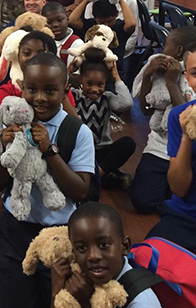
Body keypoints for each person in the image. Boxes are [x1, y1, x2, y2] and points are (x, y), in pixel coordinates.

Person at [0, 52, 95, 308]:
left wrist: (49, 150)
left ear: (65, 90)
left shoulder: (77, 132)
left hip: (59, 233)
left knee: (56, 297)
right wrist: (5, 149)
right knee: (13, 297)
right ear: (21, 87)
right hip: (16, 227)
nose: (39, 98)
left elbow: (81, 191)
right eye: (32, 89)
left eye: (50, 90)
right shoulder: (12, 123)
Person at [129, 27, 196, 214]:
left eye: (166, 46)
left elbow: (188, 119)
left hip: (187, 152)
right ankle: (171, 198)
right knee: (141, 201)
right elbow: (144, 109)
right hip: (159, 148)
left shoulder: (185, 78)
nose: (163, 50)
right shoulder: (157, 70)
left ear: (179, 51)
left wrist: (171, 83)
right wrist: (148, 74)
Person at [51, 202, 161, 307]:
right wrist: (57, 291)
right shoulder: (79, 278)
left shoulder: (143, 303)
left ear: (125, 246)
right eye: (82, 248)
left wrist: (87, 303)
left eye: (104, 245)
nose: (93, 256)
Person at [145, 45, 196, 254]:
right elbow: (178, 188)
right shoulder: (180, 116)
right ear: (188, 78)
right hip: (187, 214)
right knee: (147, 258)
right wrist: (186, 137)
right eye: (195, 73)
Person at [70, 50, 135, 188]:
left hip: (100, 149)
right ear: (80, 80)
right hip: (79, 151)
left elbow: (127, 103)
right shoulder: (74, 96)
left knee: (128, 143)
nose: (95, 89)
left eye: (100, 84)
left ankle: (97, 175)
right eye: (89, 83)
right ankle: (108, 178)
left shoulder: (107, 97)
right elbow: (59, 88)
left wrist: (116, 76)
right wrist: (68, 71)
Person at [0, 30, 77, 118]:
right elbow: (10, 123)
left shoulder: (59, 87)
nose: (33, 57)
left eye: (41, 53)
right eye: (27, 53)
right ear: (18, 56)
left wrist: (62, 96)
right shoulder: (7, 91)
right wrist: (25, 94)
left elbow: (74, 122)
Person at [83, 0, 139, 64]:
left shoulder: (130, 1)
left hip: (122, 50)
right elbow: (89, 29)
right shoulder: (94, 1)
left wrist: (121, 48)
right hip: (96, 49)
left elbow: (133, 32)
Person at [69, 0, 136, 78]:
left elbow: (132, 24)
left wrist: (121, 1)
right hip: (90, 72)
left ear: (117, 14)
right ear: (94, 17)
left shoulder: (119, 27)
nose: (106, 25)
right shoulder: (92, 26)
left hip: (113, 74)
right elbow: (72, 20)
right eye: (101, 22)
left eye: (109, 21)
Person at [42, 2, 84, 66]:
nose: (55, 25)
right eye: (49, 22)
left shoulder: (76, 43)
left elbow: (73, 73)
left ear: (67, 18)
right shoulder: (41, 42)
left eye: (59, 20)